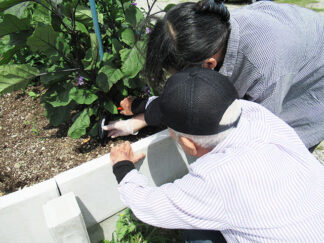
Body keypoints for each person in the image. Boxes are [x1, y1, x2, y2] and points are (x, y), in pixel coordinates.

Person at [109, 67, 324, 243]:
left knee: (197, 235)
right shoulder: (257, 115)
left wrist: (123, 167)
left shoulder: (216, 178)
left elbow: (151, 206)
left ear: (189, 145)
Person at [105, 0, 324, 150]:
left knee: (282, 155)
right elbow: (193, 92)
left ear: (209, 64)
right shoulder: (211, 32)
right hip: (295, 37)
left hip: (313, 80)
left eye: (176, 75)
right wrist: (140, 119)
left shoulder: (263, 69)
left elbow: (255, 132)